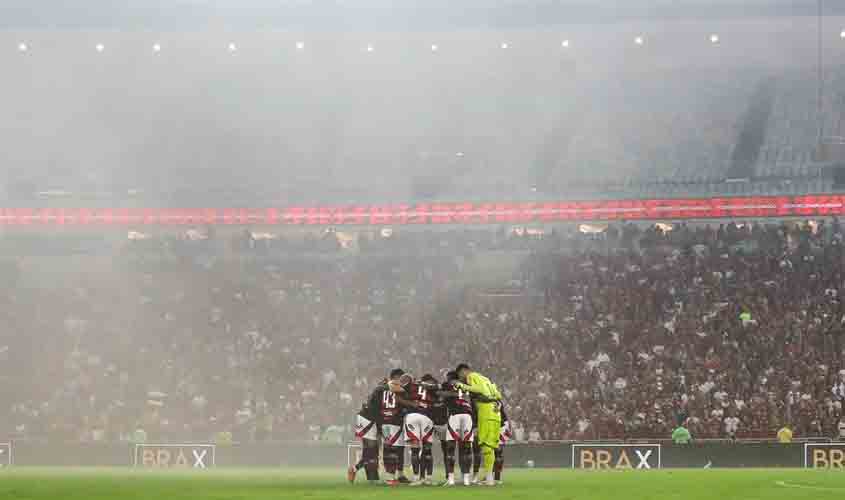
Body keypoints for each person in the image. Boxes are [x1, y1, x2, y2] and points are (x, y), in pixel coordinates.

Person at [454, 363, 502, 486]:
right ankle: (489, 477)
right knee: (490, 446)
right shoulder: (486, 379)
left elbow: (479, 389)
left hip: (486, 412)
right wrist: (497, 404)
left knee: (486, 446)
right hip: (495, 413)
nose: (461, 378)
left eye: (460, 375)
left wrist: (462, 386)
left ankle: (489, 479)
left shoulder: (472, 376)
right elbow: (498, 395)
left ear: (463, 371)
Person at [369, 368, 417, 486]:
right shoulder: (399, 388)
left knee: (389, 449)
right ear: (397, 377)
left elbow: (375, 404)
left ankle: (394, 476)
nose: (402, 380)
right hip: (395, 421)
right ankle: (393, 477)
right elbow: (405, 401)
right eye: (401, 377)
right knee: (396, 450)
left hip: (384, 421)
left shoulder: (381, 388)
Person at [439, 370, 476, 486]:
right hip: (467, 414)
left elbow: (441, 394)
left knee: (450, 447)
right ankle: (466, 479)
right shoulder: (465, 386)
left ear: (449, 377)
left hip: (455, 414)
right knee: (466, 447)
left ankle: (451, 479)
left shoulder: (447, 384)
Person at [402, 373, 438, 486]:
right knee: (427, 449)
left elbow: (398, 388)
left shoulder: (411, 385)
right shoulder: (432, 387)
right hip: (427, 417)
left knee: (415, 449)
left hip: (412, 416)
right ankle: (427, 478)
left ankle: (416, 478)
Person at [348, 399, 380, 484]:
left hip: (365, 431)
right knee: (371, 456)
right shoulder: (375, 408)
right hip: (370, 432)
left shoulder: (364, 409)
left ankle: (372, 478)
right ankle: (355, 469)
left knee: (369, 456)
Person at [494, 406, 512, 485]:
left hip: (499, 424)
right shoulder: (497, 399)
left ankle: (496, 477)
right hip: (503, 424)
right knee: (498, 452)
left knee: (497, 452)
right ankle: (496, 476)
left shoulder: (492, 399)